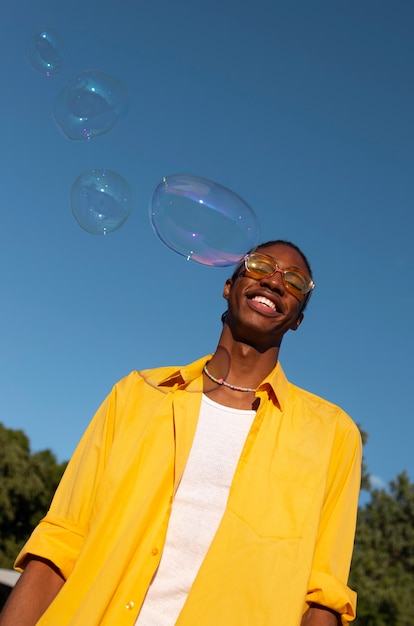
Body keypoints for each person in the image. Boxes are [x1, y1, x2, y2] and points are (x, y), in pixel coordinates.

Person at [0, 240, 362, 626]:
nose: (274, 281)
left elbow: (323, 598)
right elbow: (61, 540)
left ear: (297, 319)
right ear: (229, 286)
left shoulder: (331, 435)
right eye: (259, 266)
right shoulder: (137, 393)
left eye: (294, 281)